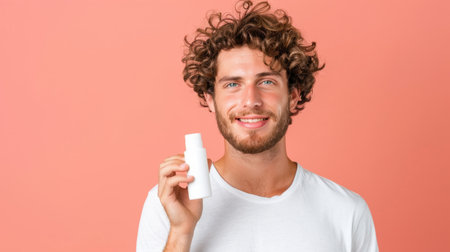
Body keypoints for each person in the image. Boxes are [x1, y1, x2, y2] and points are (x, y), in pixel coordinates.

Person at [137, 1, 378, 251]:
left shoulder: (346, 211)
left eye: (266, 82)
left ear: (293, 95)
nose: (251, 100)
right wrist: (181, 231)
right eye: (233, 85)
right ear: (210, 99)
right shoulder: (168, 205)